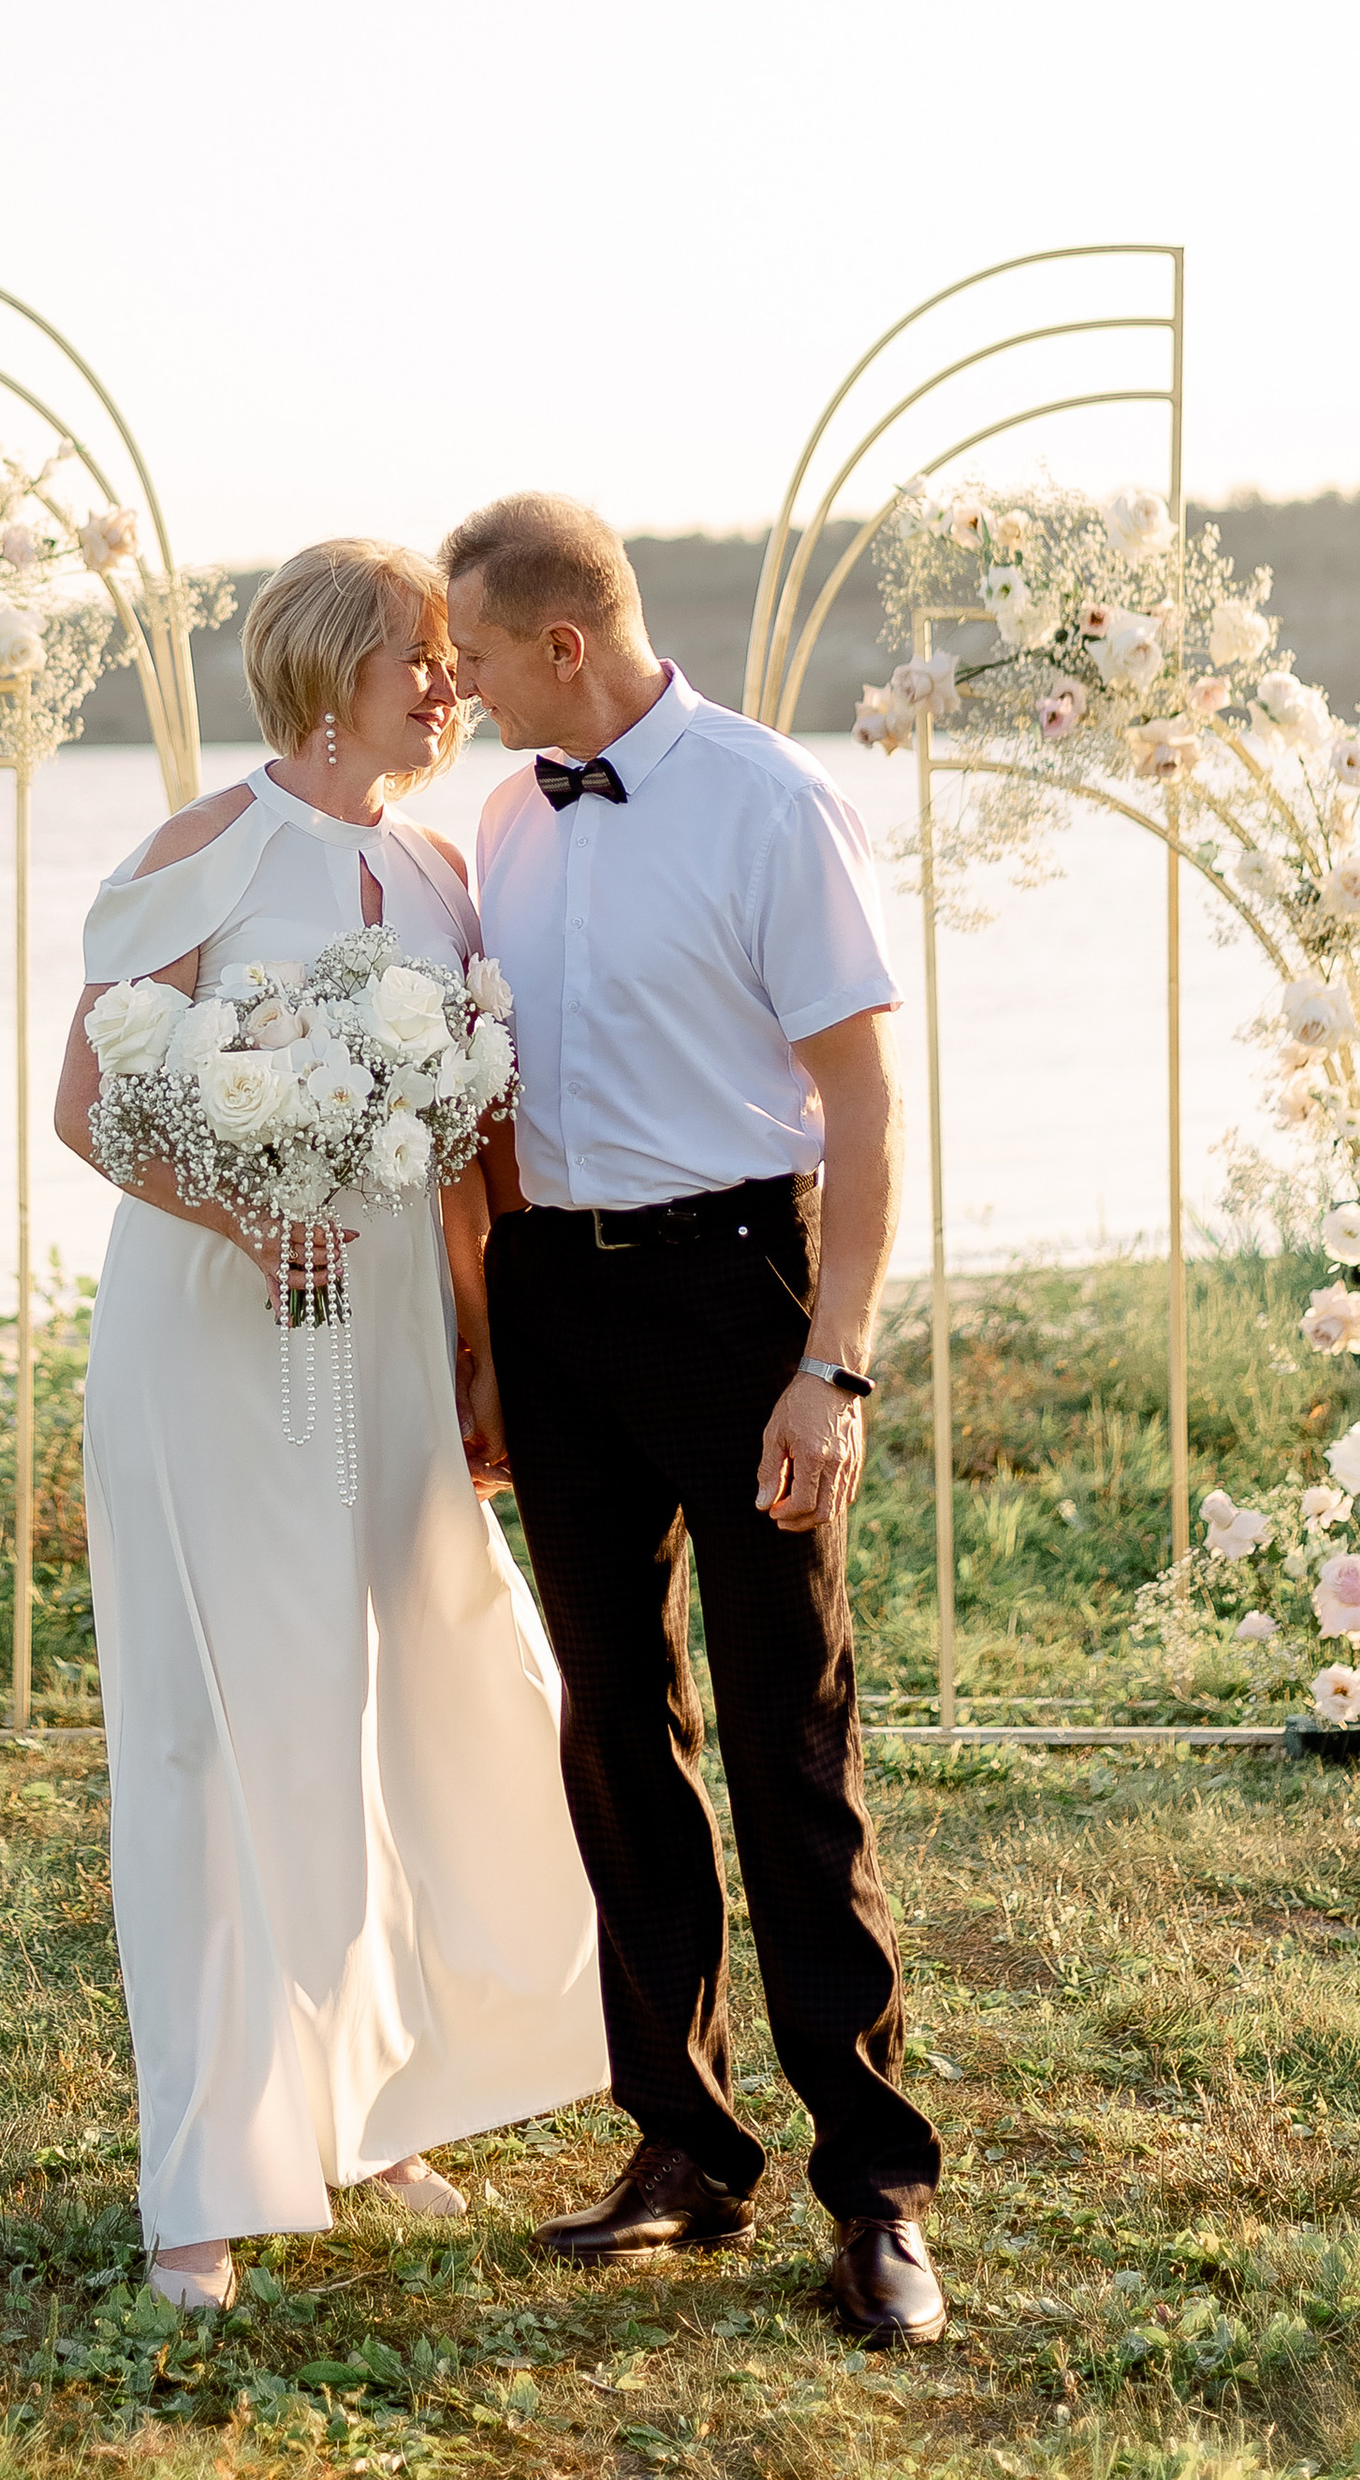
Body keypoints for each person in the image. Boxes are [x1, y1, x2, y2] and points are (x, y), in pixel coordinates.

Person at [55, 537, 606, 2313]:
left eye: (454, 657)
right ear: (323, 670)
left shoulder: (443, 872)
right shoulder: (205, 849)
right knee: (212, 1727)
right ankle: (205, 2177)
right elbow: (88, 1101)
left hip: (383, 1342)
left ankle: (380, 2105)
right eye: (417, 655)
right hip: (213, 1332)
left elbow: (462, 1157)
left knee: (406, 1695)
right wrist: (240, 1208)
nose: (450, 685)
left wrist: (480, 1351)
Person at [442, 491, 947, 2347]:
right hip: (555, 1300)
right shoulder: (504, 817)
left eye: (477, 656)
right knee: (615, 1732)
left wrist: (833, 1364)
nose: (459, 688)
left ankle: (877, 2192)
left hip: (738, 1293)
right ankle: (683, 2141)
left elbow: (866, 1107)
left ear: (563, 642)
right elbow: (492, 1105)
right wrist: (492, 1340)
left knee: (788, 1737)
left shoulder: (770, 802)